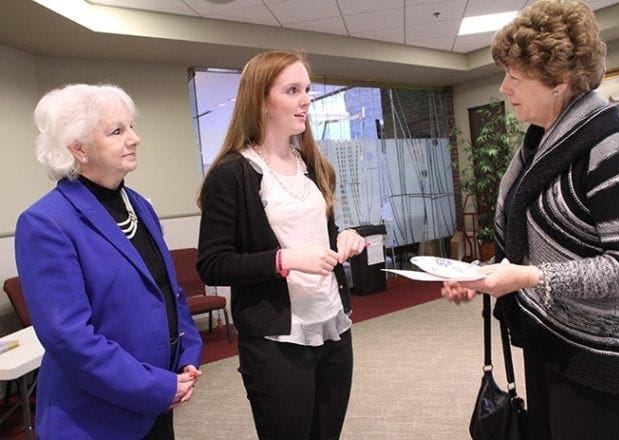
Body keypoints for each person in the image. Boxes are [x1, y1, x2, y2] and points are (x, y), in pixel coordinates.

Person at [441, 1, 619, 439]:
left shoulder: (609, 148)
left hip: (603, 356)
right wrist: (482, 277)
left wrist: (529, 277)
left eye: (515, 77)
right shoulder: (541, 142)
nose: (503, 87)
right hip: (555, 338)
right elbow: (529, 242)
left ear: (560, 81)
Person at [14, 83, 203, 439]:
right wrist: (157, 387)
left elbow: (168, 292)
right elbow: (70, 339)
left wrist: (187, 355)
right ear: (78, 149)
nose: (135, 138)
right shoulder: (45, 222)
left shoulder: (139, 205)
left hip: (156, 403)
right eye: (117, 131)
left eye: (131, 126)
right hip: (94, 418)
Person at [196, 50, 366, 440]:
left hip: (332, 326)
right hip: (277, 339)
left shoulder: (314, 166)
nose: (306, 99)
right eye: (292, 90)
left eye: (307, 89)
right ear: (261, 101)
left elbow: (323, 231)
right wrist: (284, 259)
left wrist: (342, 238)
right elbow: (213, 263)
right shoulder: (232, 174)